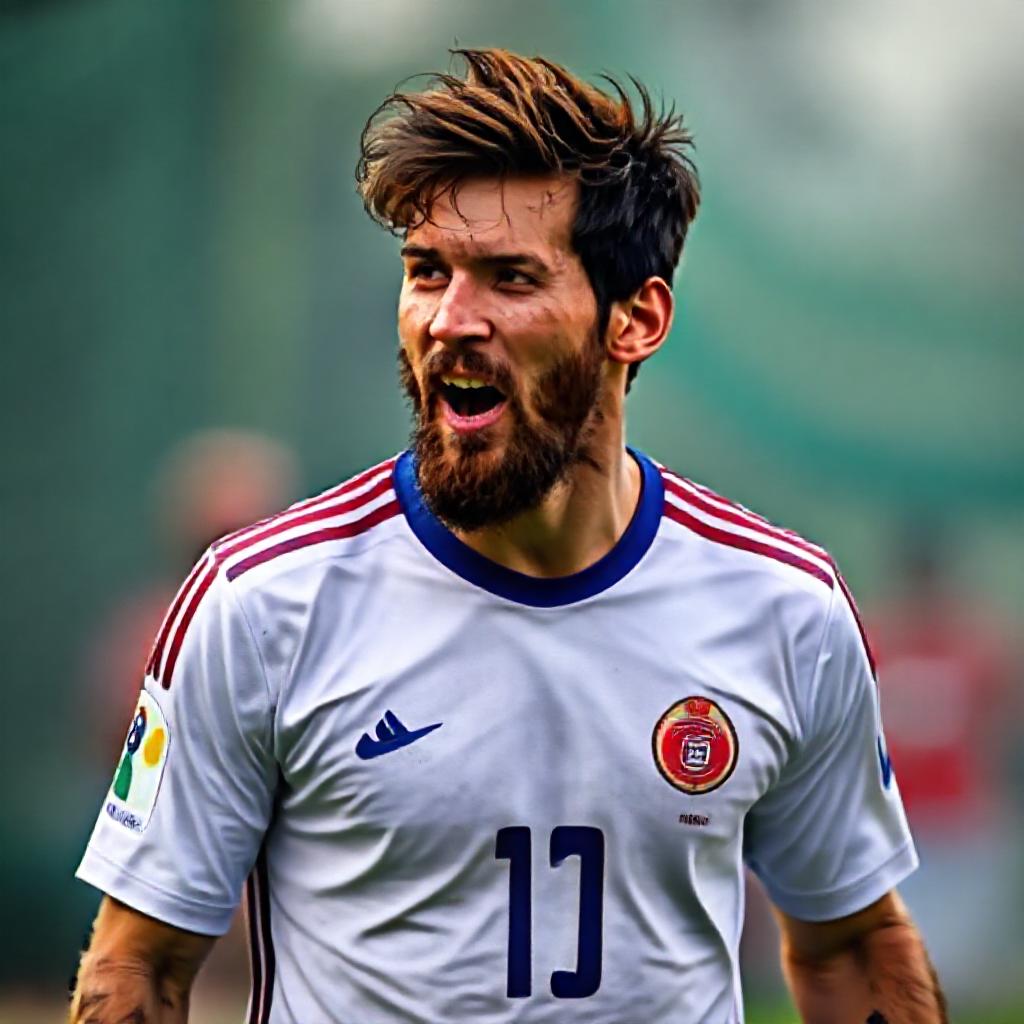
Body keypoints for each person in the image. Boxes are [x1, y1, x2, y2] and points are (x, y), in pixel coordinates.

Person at [69, 49, 946, 1024]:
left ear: (636, 319)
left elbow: (851, 947)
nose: (450, 320)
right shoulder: (260, 604)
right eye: (426, 272)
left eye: (510, 277)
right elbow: (138, 969)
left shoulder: (787, 609)